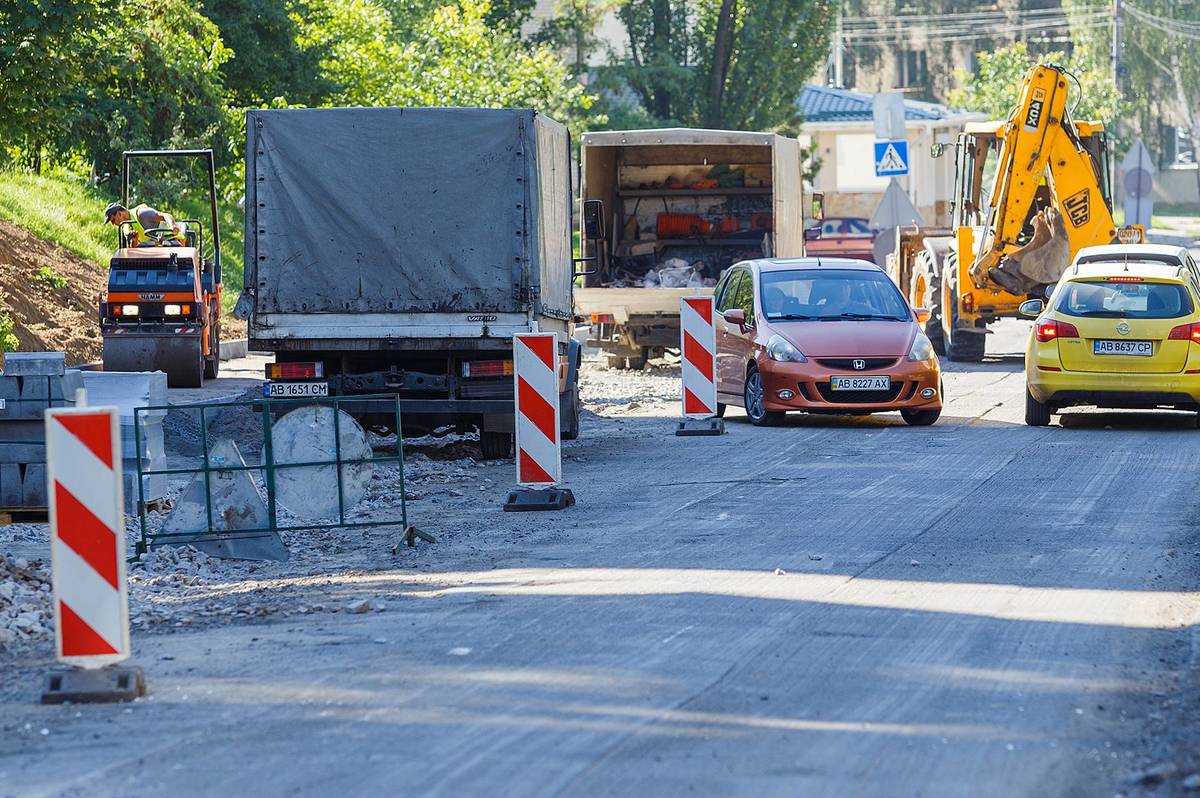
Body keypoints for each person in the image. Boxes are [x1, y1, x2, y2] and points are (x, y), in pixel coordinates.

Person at [104, 202, 185, 247]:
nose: (113, 224)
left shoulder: (141, 214)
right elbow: (134, 249)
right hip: (155, 250)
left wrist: (173, 226)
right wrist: (135, 241)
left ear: (119, 213)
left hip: (173, 241)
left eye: (113, 220)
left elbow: (166, 215)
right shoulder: (125, 228)